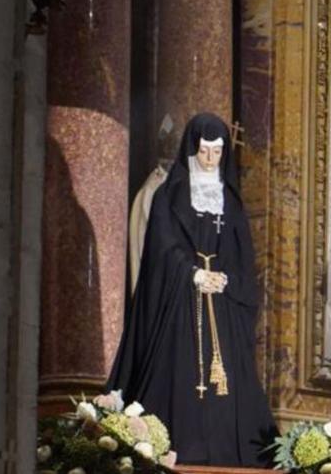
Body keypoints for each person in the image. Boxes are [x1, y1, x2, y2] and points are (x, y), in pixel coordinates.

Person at [107, 113, 277, 466]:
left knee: (231, 387)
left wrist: (226, 279)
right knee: (177, 378)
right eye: (204, 151)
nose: (211, 159)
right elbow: (162, 247)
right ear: (192, 148)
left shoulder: (231, 202)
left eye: (217, 152)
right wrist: (194, 274)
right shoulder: (171, 195)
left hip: (223, 303)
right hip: (181, 301)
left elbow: (243, 257)